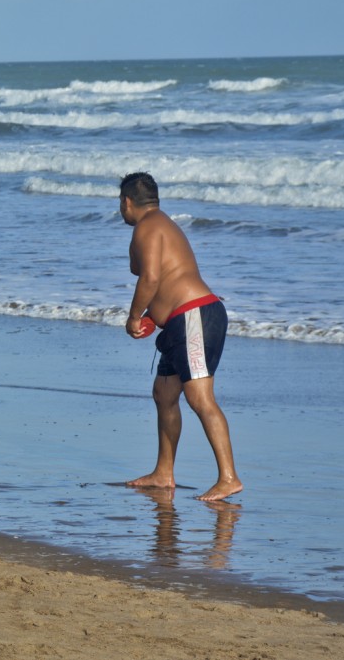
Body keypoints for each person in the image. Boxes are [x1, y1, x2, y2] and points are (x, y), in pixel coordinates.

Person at [119, 172, 243, 502]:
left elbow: (150, 276)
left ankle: (229, 477)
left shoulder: (148, 226)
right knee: (164, 392)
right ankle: (163, 473)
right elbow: (162, 277)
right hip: (180, 321)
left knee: (200, 399)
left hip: (194, 317)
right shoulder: (159, 225)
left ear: (127, 201)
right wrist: (151, 315)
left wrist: (133, 316)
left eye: (121, 203)